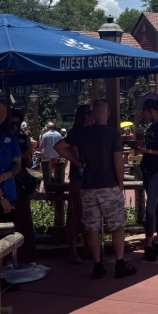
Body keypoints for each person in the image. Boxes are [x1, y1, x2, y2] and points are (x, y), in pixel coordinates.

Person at [56, 99, 136, 279]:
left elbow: (59, 146)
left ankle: (97, 264)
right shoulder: (113, 134)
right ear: (107, 113)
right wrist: (120, 183)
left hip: (88, 186)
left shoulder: (82, 133)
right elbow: (118, 162)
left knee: (91, 227)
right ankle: (119, 263)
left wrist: (76, 162)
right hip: (109, 185)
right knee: (117, 226)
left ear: (93, 113)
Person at [133, 93, 158, 261]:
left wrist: (147, 151)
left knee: (149, 210)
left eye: (144, 111)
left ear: (151, 110)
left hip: (156, 170)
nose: (142, 114)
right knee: (155, 207)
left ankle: (148, 244)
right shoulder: (150, 127)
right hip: (147, 169)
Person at [8, 108, 38, 264]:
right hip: (5, 181)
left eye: (17, 123)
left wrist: (25, 157)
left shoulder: (23, 138)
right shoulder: (1, 138)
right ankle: (7, 255)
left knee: (23, 217)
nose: (14, 126)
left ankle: (26, 254)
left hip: (20, 181)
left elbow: (30, 163)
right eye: (11, 123)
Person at [65, 104, 94, 264]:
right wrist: (78, 162)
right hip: (79, 178)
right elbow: (72, 152)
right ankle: (72, 251)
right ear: (83, 117)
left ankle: (88, 247)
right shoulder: (76, 134)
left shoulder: (91, 132)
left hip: (90, 177)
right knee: (75, 212)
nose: (93, 116)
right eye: (90, 113)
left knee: (88, 213)